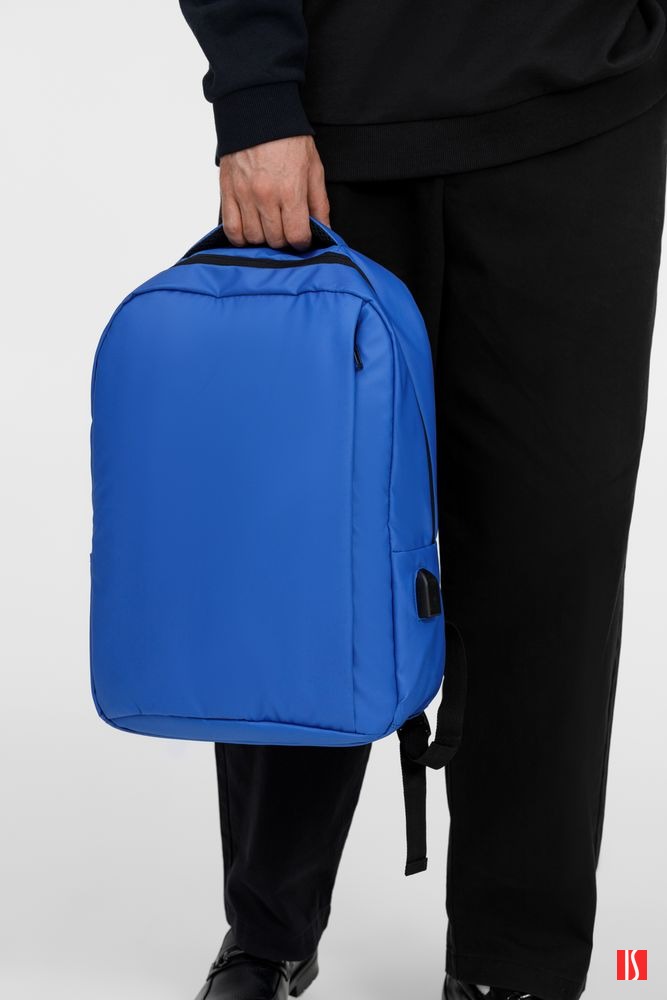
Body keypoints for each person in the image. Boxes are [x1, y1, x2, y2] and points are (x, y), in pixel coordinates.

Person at [178, 3, 667, 999]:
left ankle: (514, 960)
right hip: (330, 131)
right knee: (303, 551)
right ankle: (269, 926)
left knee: (551, 553)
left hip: (585, 114)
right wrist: (254, 94)